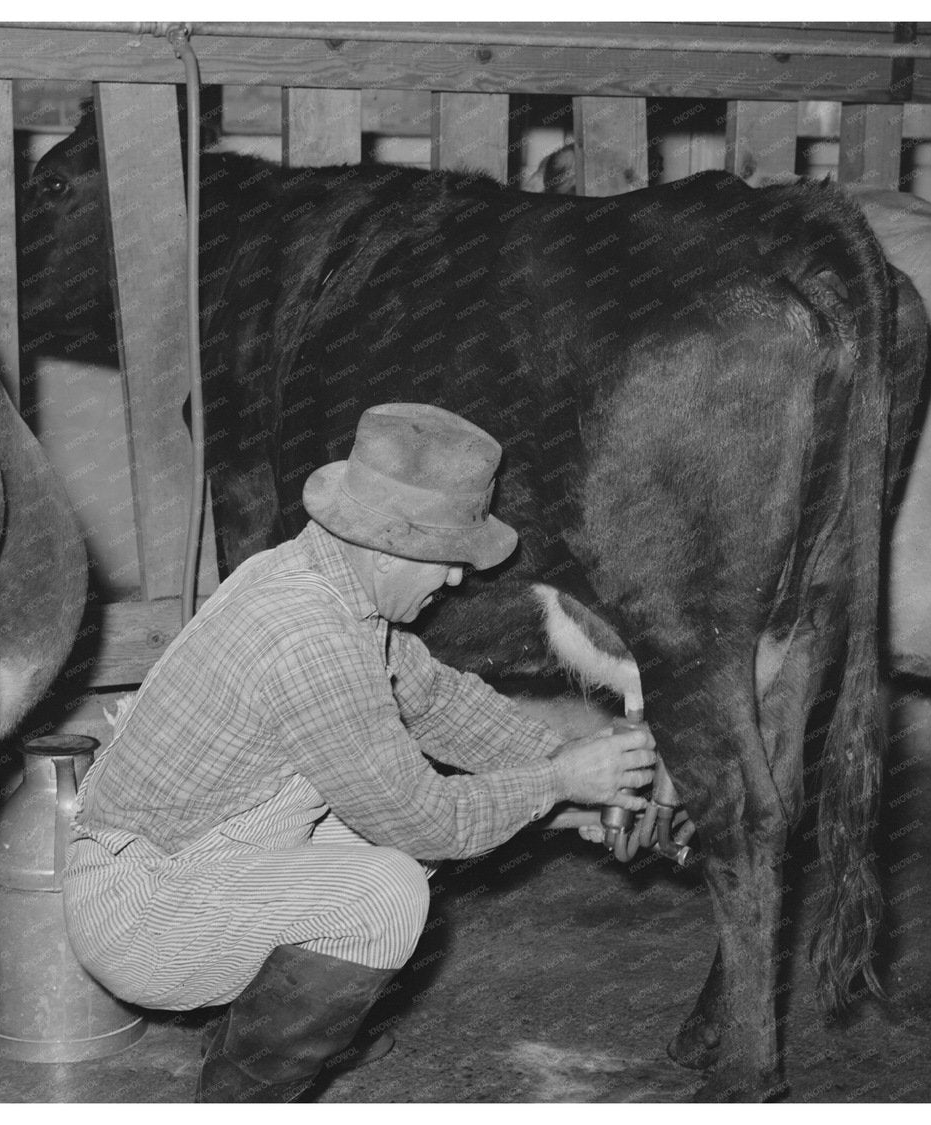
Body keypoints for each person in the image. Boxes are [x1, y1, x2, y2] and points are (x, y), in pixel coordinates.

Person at [62, 402, 657, 1103]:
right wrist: (556, 784)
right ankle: (240, 1096)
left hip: (209, 846)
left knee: (399, 833)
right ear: (388, 548)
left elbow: (437, 699)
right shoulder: (311, 636)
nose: (459, 580)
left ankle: (290, 1015)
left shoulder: (323, 579)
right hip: (142, 906)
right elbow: (427, 818)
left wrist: (576, 767)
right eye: (450, 558)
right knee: (388, 891)